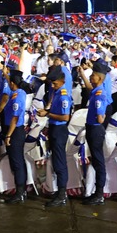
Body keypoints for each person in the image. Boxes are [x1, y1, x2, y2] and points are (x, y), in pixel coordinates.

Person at [37, 66, 71, 207]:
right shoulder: (57, 92)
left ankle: (62, 194)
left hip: (59, 130)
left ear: (62, 81)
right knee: (56, 162)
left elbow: (65, 117)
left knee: (60, 163)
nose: (52, 86)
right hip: (54, 128)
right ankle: (59, 192)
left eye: (55, 83)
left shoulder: (63, 95)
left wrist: (47, 114)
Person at [82, 60, 112, 206]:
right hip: (91, 127)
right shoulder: (96, 91)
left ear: (99, 78)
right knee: (96, 159)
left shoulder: (100, 94)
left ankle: (99, 193)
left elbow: (100, 118)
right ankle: (96, 192)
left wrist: (102, 117)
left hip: (95, 129)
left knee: (98, 161)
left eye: (92, 75)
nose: (90, 77)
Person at [2, 70, 29, 204]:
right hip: (16, 130)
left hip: (14, 131)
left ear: (13, 84)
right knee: (18, 161)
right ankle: (22, 190)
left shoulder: (17, 97)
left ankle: (20, 192)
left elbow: (15, 118)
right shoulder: (20, 92)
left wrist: (8, 136)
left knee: (17, 162)